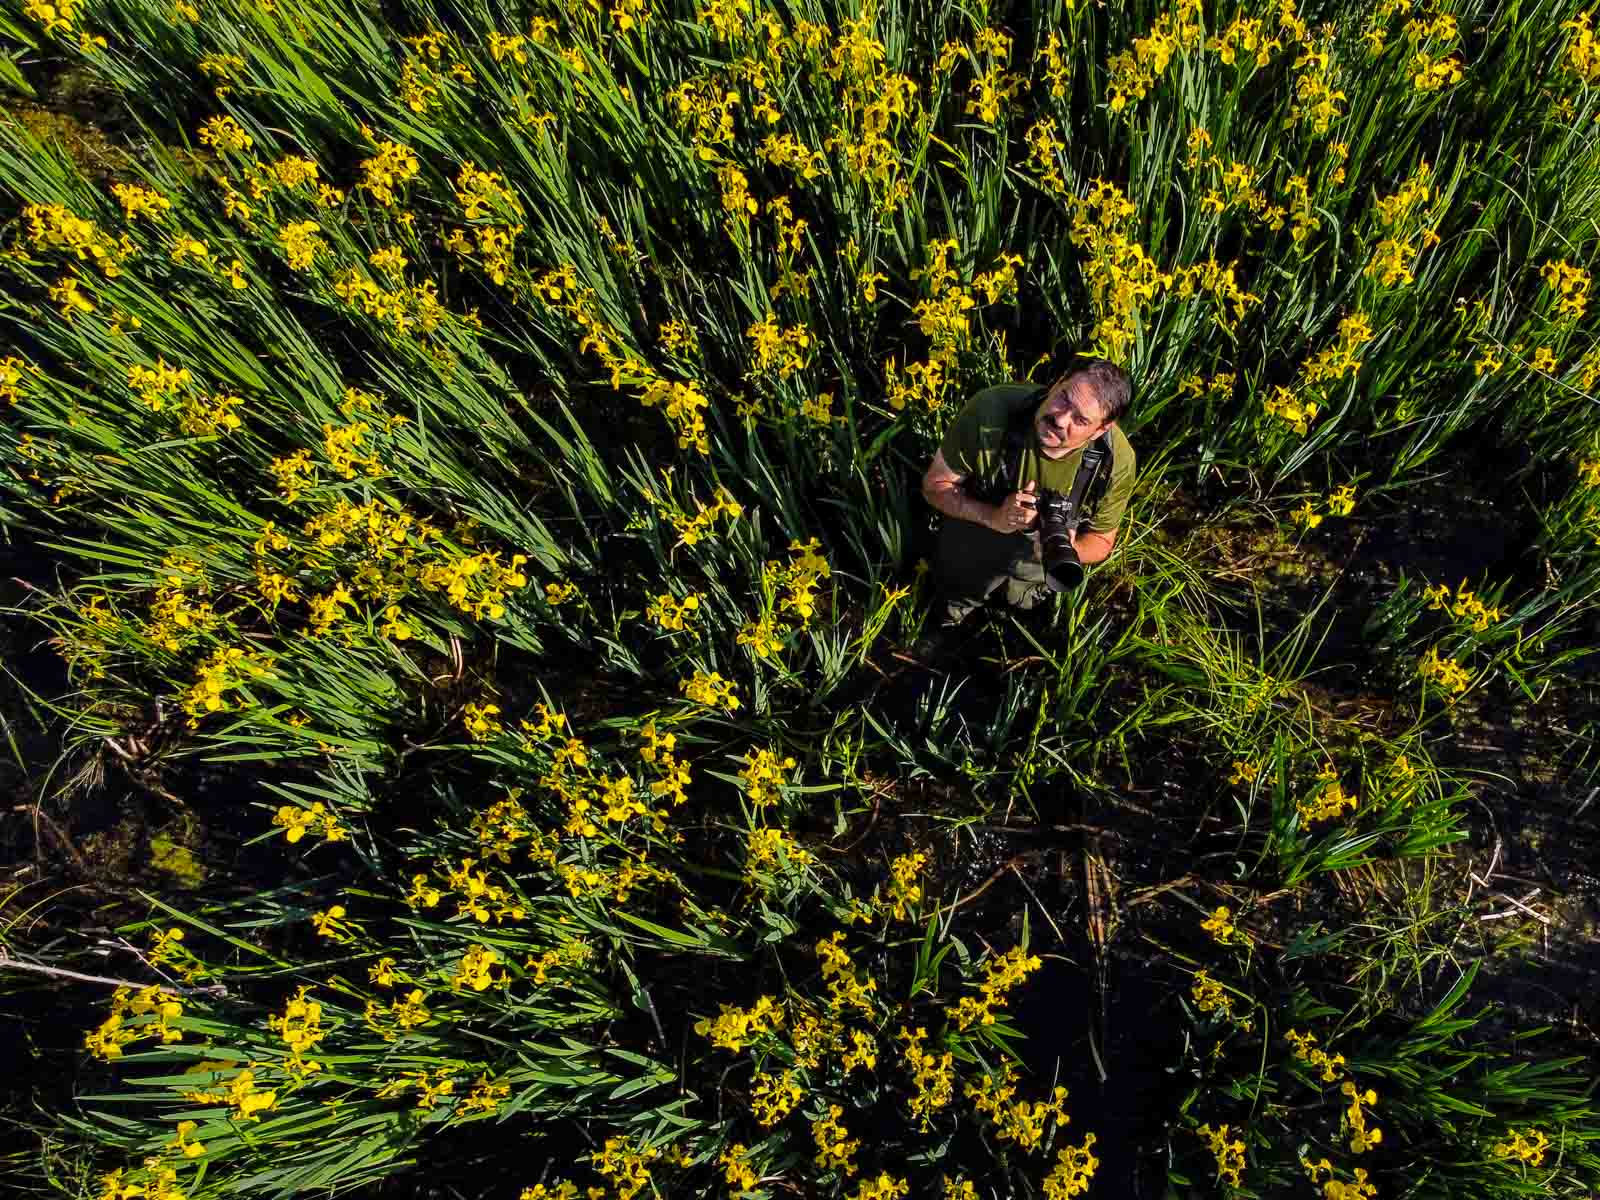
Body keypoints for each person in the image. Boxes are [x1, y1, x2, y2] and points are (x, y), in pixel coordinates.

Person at [914, 359, 1136, 657]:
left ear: (1100, 429)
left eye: (1080, 420)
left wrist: (1063, 545)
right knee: (948, 607)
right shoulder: (992, 412)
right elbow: (934, 486)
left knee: (1022, 635)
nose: (1060, 419)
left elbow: (1102, 541)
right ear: (1056, 381)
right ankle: (944, 628)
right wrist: (993, 516)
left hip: (1038, 578)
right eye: (1063, 398)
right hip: (971, 550)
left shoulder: (1115, 461)